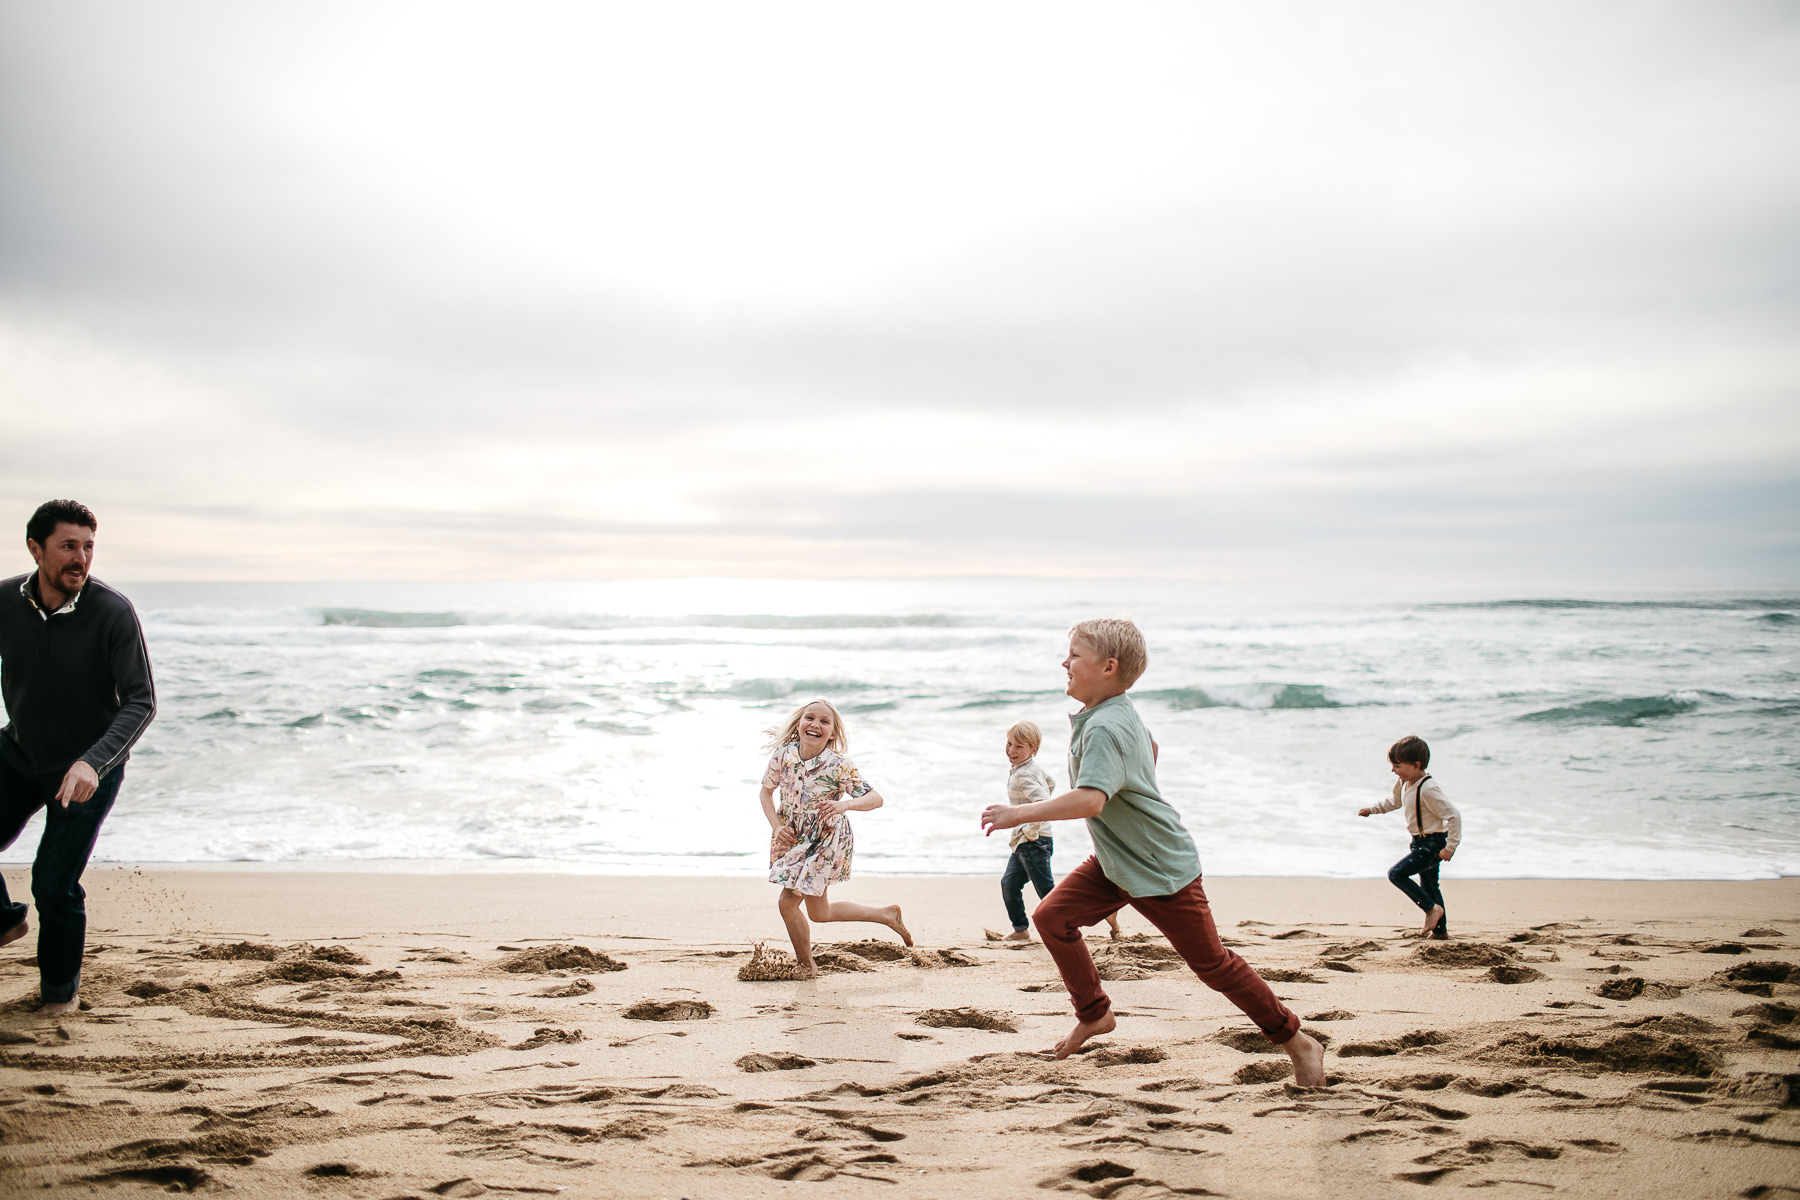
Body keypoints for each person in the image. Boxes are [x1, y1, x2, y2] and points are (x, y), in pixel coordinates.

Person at [982, 619, 1325, 1085]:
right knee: (1051, 918)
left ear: (1108, 666)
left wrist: (1017, 814)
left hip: (1161, 868)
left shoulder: (1105, 725)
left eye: (1075, 655)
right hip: (1118, 862)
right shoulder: (1116, 711)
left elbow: (1091, 799)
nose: (1065, 663)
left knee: (1213, 965)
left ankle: (1298, 1042)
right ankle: (1095, 1013)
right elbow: (1151, 748)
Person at [0, 500, 156, 1014]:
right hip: (20, 752)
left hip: (88, 767)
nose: (81, 558)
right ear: (35, 549)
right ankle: (3, 918)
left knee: (53, 882)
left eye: (88, 547)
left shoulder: (112, 611)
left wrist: (94, 762)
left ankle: (58, 997)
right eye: (69, 546)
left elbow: (141, 700)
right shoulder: (5, 600)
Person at [761, 698, 911, 977]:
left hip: (825, 840)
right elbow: (765, 792)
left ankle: (807, 966)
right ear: (799, 723)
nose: (815, 724)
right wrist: (776, 827)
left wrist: (844, 805)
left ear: (832, 732)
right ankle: (886, 914)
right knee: (820, 913)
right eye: (810, 718)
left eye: (824, 721)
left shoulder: (838, 765)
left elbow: (875, 798)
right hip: (793, 838)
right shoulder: (783, 754)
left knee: (787, 902)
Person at [997, 720, 1119, 942]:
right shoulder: (1028, 768)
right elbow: (1050, 784)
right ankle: (1021, 929)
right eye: (1010, 744)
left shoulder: (1023, 774)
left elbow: (1043, 800)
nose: (1011, 750)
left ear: (1034, 749)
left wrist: (1031, 829)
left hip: (1033, 841)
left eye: (1019, 747)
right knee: (1009, 883)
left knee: (1048, 894)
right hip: (1025, 841)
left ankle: (1098, 914)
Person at [1358, 735, 1461, 939]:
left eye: (1397, 765)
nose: (1393, 770)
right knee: (1430, 885)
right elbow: (1395, 801)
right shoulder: (1404, 782)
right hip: (1418, 842)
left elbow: (1453, 816)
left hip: (1432, 843)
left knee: (1397, 873)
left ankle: (1431, 909)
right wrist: (1372, 809)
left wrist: (1450, 847)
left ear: (1416, 765)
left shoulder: (1429, 789)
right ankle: (1440, 932)